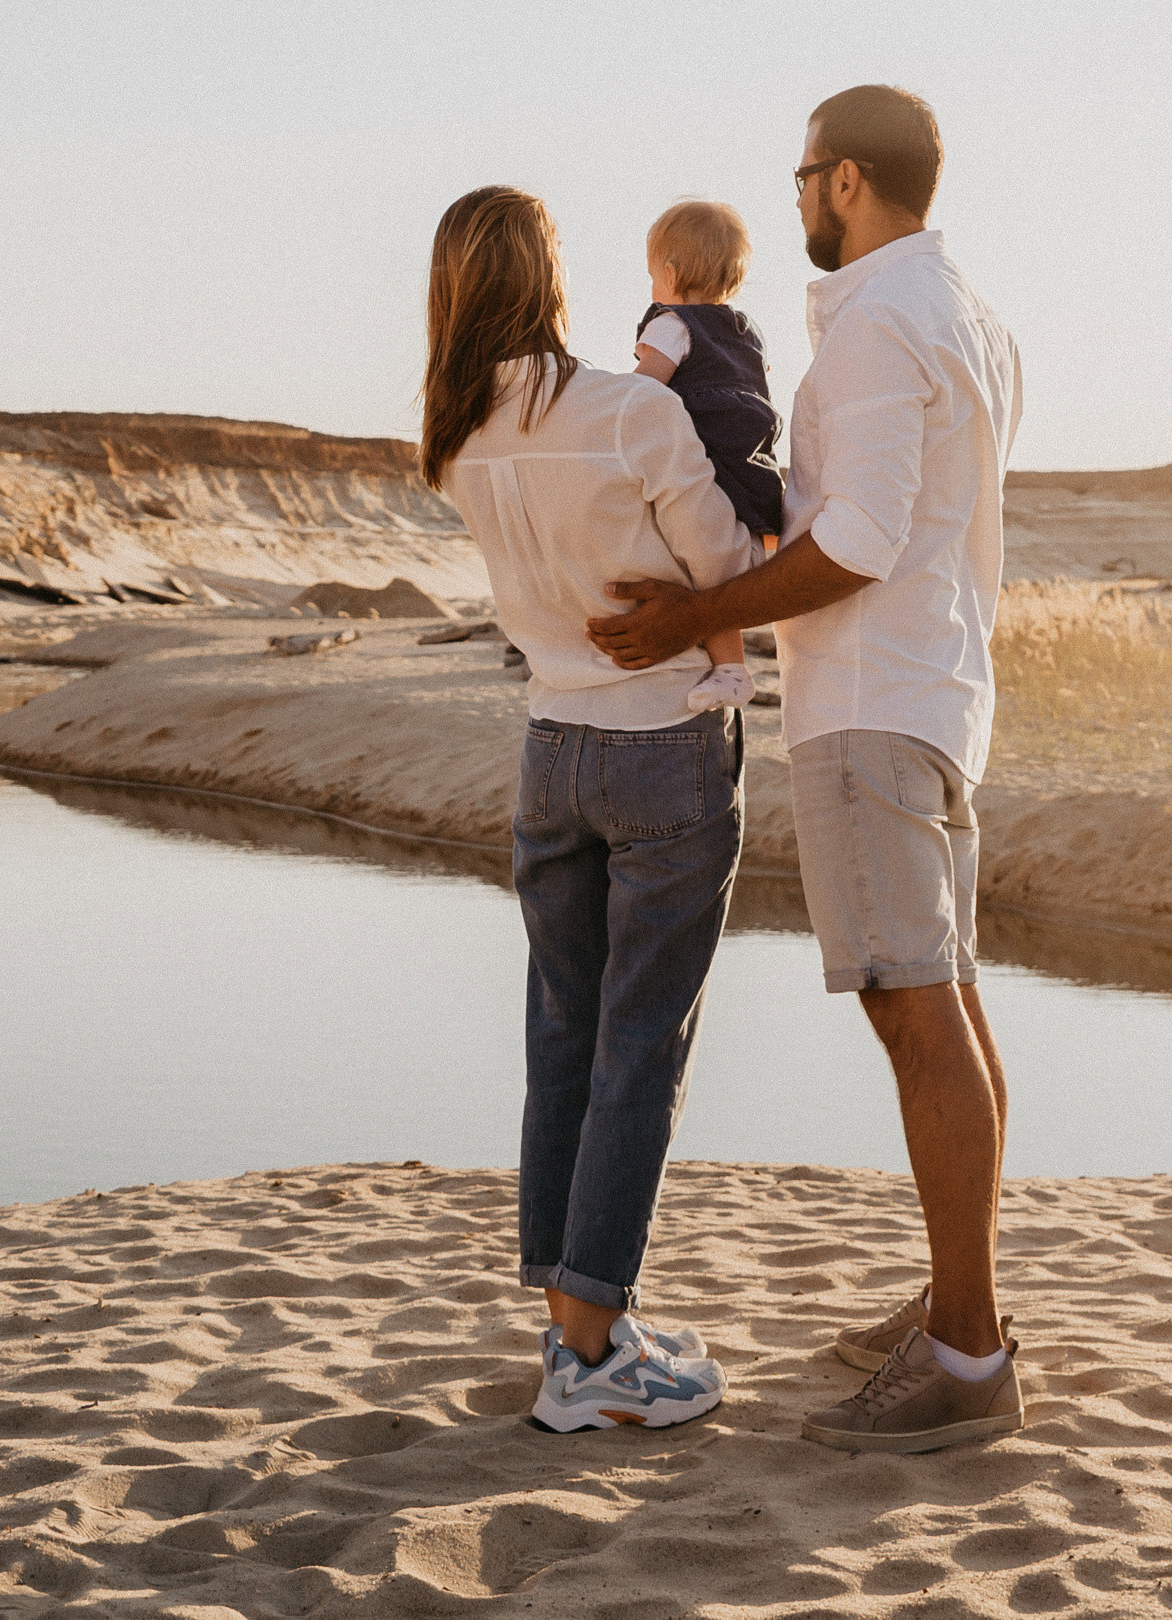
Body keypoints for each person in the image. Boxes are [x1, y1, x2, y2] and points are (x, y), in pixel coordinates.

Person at [587, 83, 1026, 1458]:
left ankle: (966, 1353)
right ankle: (958, 1302)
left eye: (800, 180)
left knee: (912, 1009)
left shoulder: (887, 323)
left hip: (871, 701)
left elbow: (862, 541)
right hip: (935, 690)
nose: (790, 204)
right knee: (941, 994)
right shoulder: (963, 314)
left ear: (846, 180)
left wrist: (682, 618)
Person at [421, 184, 761, 1433]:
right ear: (546, 275)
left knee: (564, 1033)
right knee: (638, 1044)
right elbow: (727, 563)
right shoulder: (630, 410)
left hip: (547, 749)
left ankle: (571, 1315)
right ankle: (588, 1347)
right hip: (663, 744)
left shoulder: (459, 434)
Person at [631, 197, 782, 713]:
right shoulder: (745, 332)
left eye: (652, 276)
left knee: (708, 562)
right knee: (716, 560)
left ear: (670, 274)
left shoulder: (670, 325)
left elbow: (641, 396)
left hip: (704, 459)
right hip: (748, 464)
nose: (653, 288)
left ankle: (732, 671)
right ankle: (730, 667)